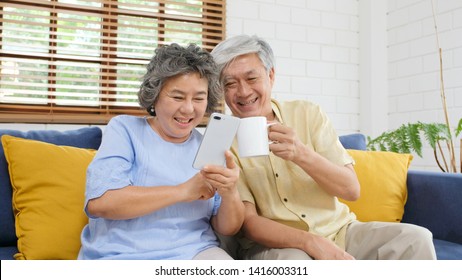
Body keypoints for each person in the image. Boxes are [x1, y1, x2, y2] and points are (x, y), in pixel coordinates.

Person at [211, 34, 437, 260]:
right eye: (230, 83)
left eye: (251, 78)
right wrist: (310, 242)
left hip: (340, 231)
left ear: (271, 76)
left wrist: (300, 154)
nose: (242, 92)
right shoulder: (222, 139)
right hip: (278, 245)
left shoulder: (308, 114)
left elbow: (351, 189)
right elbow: (248, 223)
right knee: (295, 262)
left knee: (416, 238)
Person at [78, 43, 244, 260]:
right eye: (177, 97)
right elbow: (101, 202)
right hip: (122, 254)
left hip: (195, 252)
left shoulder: (208, 146)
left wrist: (230, 192)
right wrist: (183, 191)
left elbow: (227, 228)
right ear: (155, 95)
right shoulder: (125, 130)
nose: (188, 109)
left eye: (198, 98)